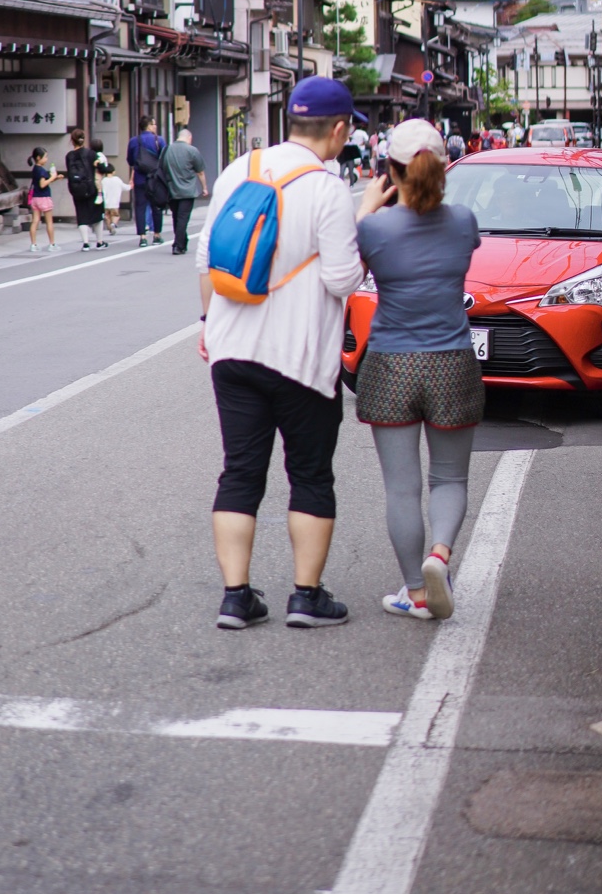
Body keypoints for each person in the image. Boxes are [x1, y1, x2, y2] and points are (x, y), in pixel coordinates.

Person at [197, 75, 391, 631]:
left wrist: (207, 323)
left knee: (240, 471)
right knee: (309, 474)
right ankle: (305, 596)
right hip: (300, 359)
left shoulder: (243, 170)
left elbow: (206, 258)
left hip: (232, 350)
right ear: (337, 129)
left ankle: (236, 597)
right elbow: (341, 279)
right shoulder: (328, 187)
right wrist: (366, 221)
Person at [354, 118, 483, 621]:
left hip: (389, 364)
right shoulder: (464, 221)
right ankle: (440, 555)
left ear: (391, 170)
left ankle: (417, 591)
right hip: (452, 362)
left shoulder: (374, 228)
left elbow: (346, 271)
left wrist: (367, 208)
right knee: (449, 479)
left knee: (401, 487)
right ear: (443, 167)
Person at [162, 120, 209, 255]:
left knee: (176, 217)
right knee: (183, 218)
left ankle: (182, 241)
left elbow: (163, 168)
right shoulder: (192, 150)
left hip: (171, 189)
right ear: (189, 138)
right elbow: (200, 171)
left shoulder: (167, 150)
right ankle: (178, 245)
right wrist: (204, 187)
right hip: (187, 190)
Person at [127, 114, 168, 245]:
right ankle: (157, 234)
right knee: (157, 206)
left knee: (140, 207)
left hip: (140, 178)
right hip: (155, 178)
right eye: (154, 124)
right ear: (149, 126)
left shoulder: (134, 141)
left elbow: (130, 160)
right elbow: (165, 158)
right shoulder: (159, 140)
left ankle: (142, 237)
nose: (155, 126)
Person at [64, 128, 106, 250]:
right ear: (83, 139)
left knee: (81, 215)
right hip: (90, 187)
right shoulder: (91, 154)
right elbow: (102, 168)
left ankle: (86, 243)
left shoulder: (69, 156)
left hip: (76, 189)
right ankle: (99, 242)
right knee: (97, 214)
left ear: (72, 141)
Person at [27, 146, 61, 252]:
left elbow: (42, 183)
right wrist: (52, 177)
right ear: (38, 158)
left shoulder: (35, 169)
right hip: (44, 198)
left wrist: (54, 178)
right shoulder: (41, 170)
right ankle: (52, 244)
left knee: (35, 221)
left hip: (35, 198)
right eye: (45, 157)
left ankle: (33, 244)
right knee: (49, 222)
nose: (46, 159)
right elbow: (43, 184)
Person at [100, 162, 126, 236]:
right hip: (115, 203)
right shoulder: (117, 180)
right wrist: (130, 186)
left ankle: (110, 229)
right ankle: (113, 224)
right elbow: (124, 187)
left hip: (106, 204)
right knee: (115, 215)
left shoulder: (103, 181)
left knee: (107, 217)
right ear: (113, 171)